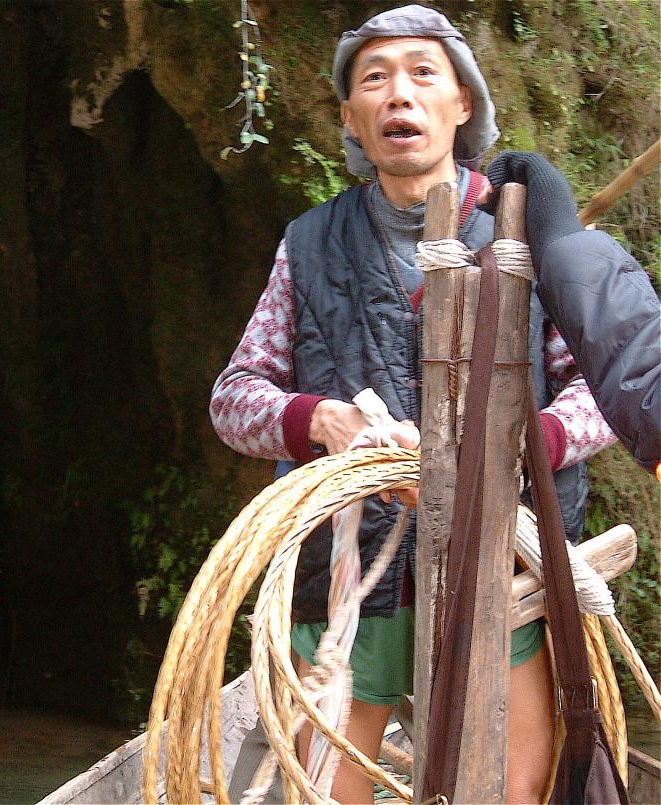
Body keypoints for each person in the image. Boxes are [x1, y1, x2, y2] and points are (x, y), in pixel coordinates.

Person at [210, 6, 615, 803]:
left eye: (424, 73)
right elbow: (236, 396)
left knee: (514, 791)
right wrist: (322, 420)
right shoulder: (310, 243)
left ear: (464, 103)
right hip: (349, 582)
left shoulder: (532, 236)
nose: (401, 93)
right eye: (376, 78)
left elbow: (601, 392)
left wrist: (516, 441)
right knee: (321, 791)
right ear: (351, 117)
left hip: (505, 573)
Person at [478, 150, 661, 474]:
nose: (402, 99)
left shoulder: (511, 239)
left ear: (464, 108)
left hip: (530, 504)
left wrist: (543, 439)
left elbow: (620, 385)